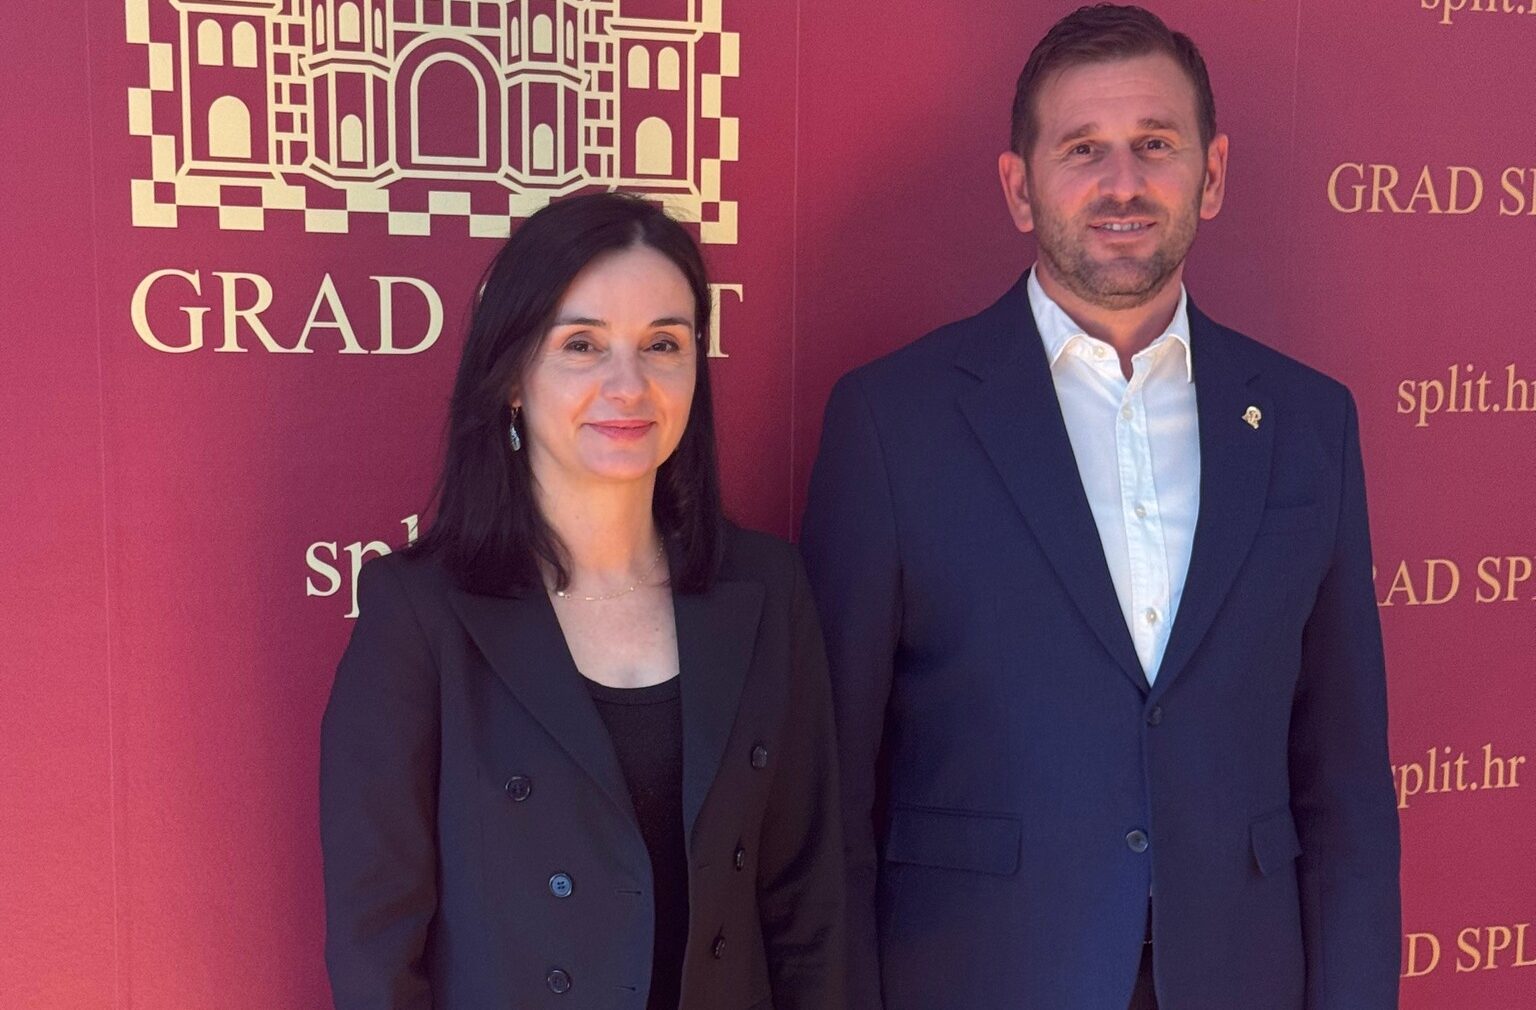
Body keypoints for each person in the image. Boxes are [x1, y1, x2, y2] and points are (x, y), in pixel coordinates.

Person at [799, 6, 1400, 1009]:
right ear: (1019, 188)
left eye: (1155, 144)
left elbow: (1345, 789)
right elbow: (828, 793)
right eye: (1082, 149)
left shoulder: (1309, 423)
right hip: (981, 976)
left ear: (1211, 174)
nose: (1123, 182)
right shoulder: (891, 421)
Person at [321, 193, 844, 1010]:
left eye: (662, 345)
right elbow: (375, 942)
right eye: (582, 345)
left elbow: (809, 905)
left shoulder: (767, 590)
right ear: (512, 377)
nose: (627, 385)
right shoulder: (420, 613)